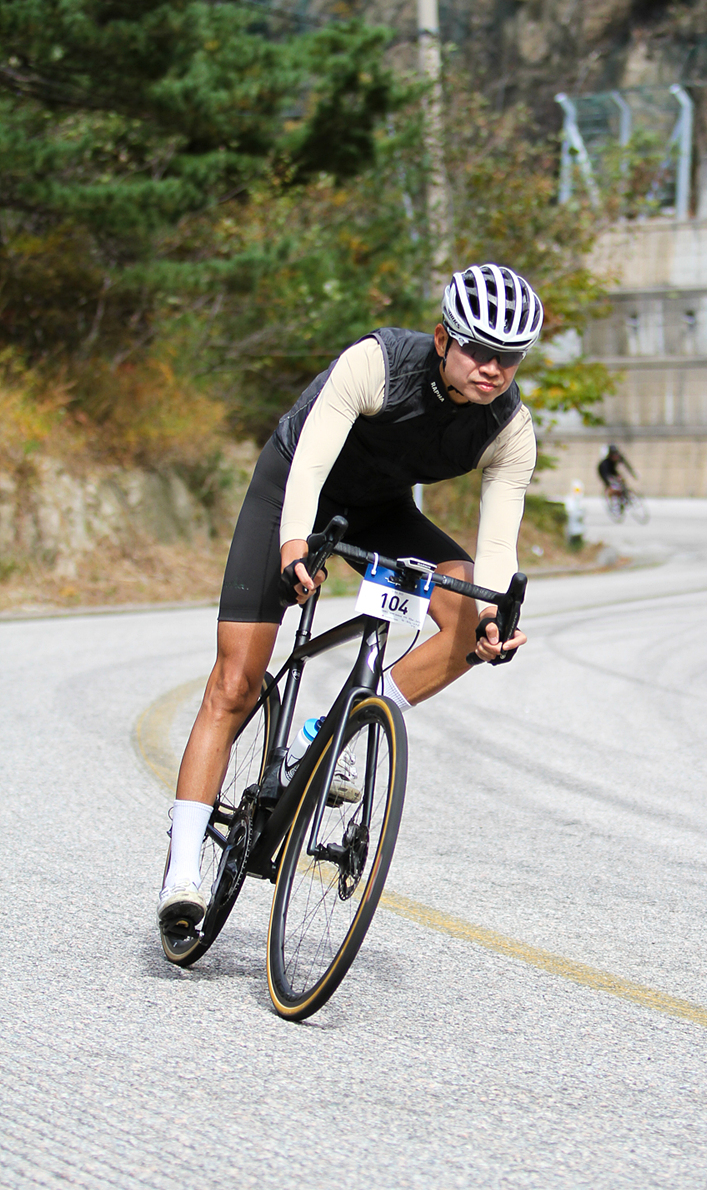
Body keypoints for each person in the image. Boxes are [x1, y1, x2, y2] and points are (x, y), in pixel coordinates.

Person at [158, 263, 542, 934]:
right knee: (236, 681)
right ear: (443, 339)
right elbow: (309, 465)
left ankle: (331, 731)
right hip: (292, 490)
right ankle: (182, 871)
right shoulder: (377, 363)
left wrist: (491, 617)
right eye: (478, 348)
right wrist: (294, 545)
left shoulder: (510, 428)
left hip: (380, 511)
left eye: (509, 357)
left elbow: (497, 547)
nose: (493, 368)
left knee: (467, 626)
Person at [597, 443, 636, 508]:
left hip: (612, 470)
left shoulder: (619, 456)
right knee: (612, 487)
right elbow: (606, 475)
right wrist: (610, 484)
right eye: (613, 455)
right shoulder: (605, 463)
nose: (615, 457)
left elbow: (626, 465)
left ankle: (624, 496)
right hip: (605, 471)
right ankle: (613, 498)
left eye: (616, 455)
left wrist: (633, 474)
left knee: (621, 480)